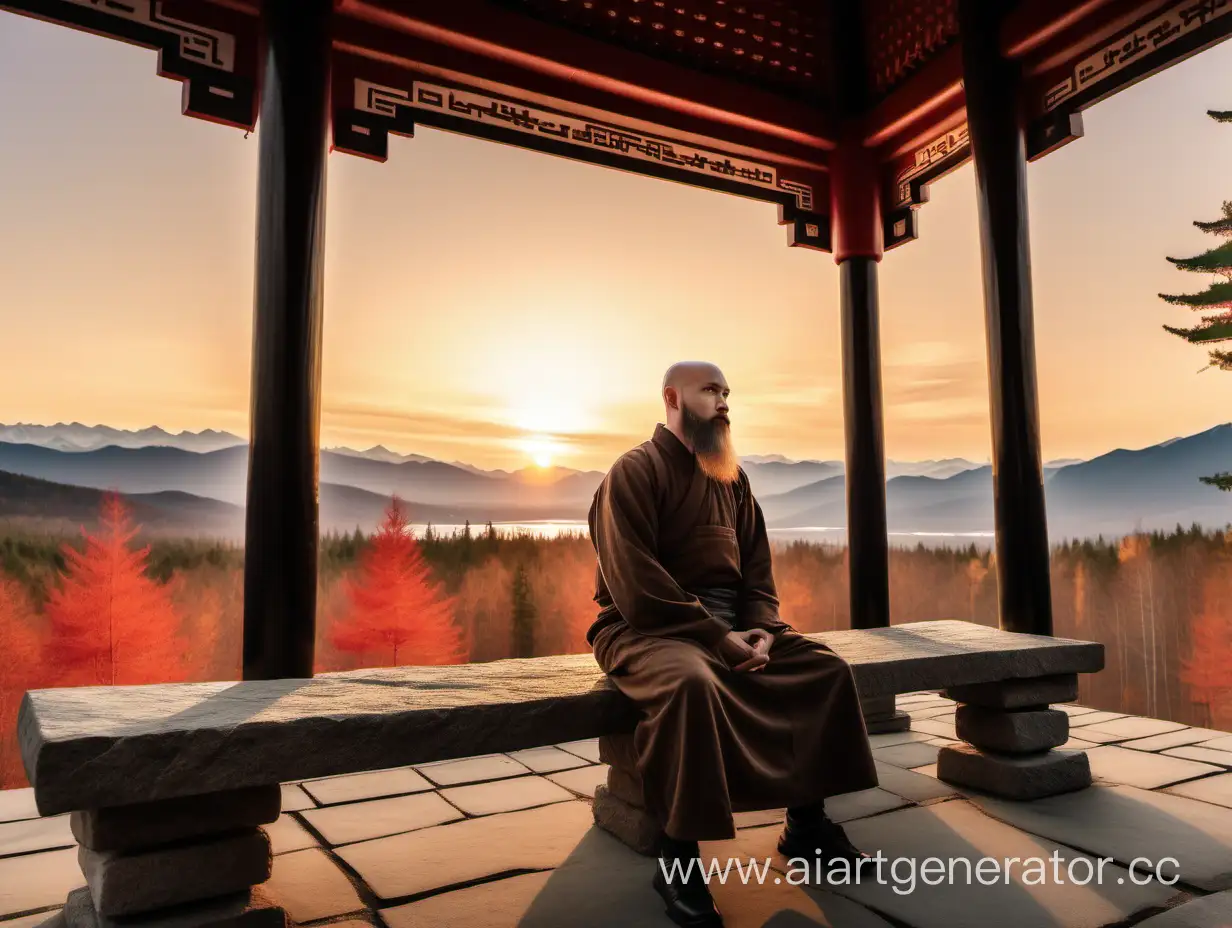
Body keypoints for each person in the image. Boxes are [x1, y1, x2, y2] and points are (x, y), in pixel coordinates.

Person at [586, 361, 879, 928]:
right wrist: (717, 638)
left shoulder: (732, 479)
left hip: (731, 627)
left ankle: (807, 825)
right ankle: (678, 857)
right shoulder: (634, 472)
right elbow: (635, 583)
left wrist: (763, 629)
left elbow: (757, 573)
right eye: (709, 391)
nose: (723, 403)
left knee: (823, 670)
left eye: (726, 393)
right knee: (693, 683)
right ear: (672, 397)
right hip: (646, 627)